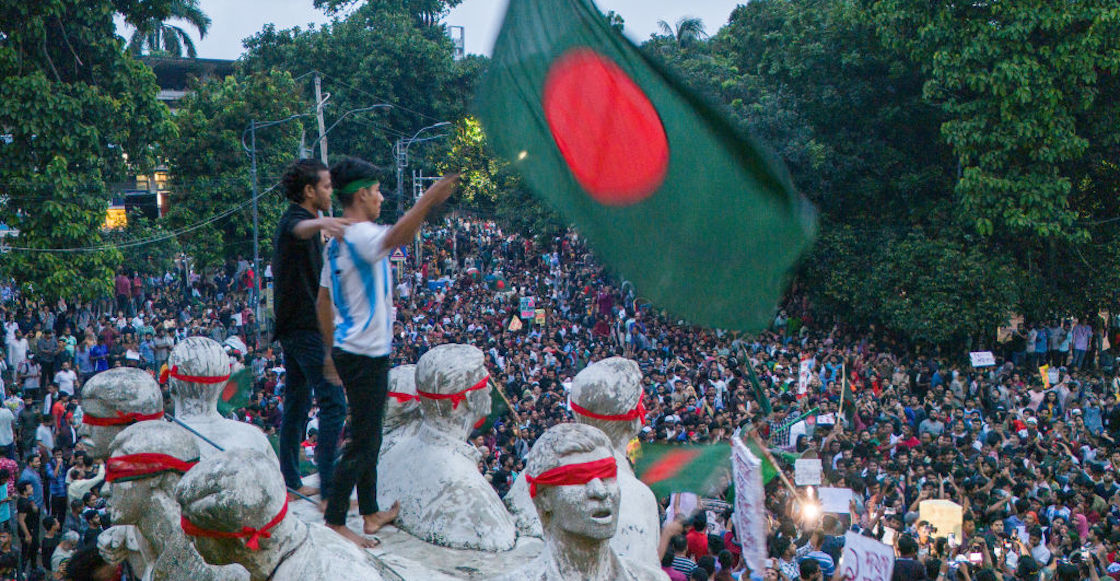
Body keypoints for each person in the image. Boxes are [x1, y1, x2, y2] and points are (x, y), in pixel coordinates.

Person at [316, 157, 458, 546]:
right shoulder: (360, 235)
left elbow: (323, 299)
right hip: (365, 354)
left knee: (369, 431)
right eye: (377, 191)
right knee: (364, 441)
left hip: (350, 350)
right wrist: (427, 200)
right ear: (361, 194)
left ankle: (370, 510)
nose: (381, 198)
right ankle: (336, 519)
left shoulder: (336, 242)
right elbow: (397, 237)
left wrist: (331, 351)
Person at [271, 158, 350, 503]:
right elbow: (300, 231)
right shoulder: (296, 221)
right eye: (327, 186)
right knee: (333, 402)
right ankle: (330, 487)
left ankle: (291, 477)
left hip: (298, 326)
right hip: (303, 328)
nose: (331, 192)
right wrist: (329, 223)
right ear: (309, 191)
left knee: (298, 402)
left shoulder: (309, 222)